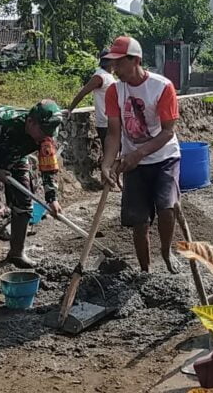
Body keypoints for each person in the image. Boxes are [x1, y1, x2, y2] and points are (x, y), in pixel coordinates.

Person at [100, 36, 181, 274]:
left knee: (167, 209)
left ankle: (166, 251)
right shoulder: (114, 91)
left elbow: (168, 132)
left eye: (119, 63)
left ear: (135, 60)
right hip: (132, 162)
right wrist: (106, 164)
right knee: (139, 221)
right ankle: (145, 271)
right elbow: (114, 134)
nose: (114, 69)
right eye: (112, 64)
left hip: (164, 157)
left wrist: (139, 154)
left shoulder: (162, 86)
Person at [0, 100, 64, 269]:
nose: (45, 136)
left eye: (49, 132)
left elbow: (48, 167)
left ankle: (17, 252)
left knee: (24, 202)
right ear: (31, 122)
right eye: (43, 131)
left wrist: (52, 198)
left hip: (16, 157)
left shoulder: (46, 135)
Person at [66, 49, 116, 151]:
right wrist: (70, 109)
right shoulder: (100, 76)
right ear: (110, 61)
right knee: (110, 153)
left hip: (112, 121)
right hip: (105, 122)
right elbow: (83, 92)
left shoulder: (109, 76)